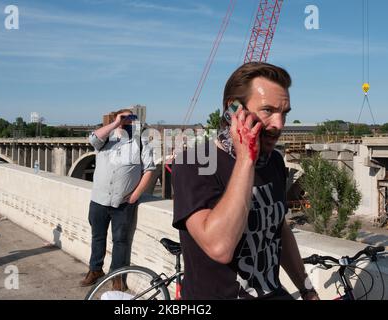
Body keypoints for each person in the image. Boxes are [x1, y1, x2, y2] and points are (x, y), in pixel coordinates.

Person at [172, 62, 319, 300]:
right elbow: (219, 248)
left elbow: (278, 228)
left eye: (284, 113)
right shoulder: (195, 163)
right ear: (234, 109)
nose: (279, 125)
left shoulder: (274, 162)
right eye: (268, 110)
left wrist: (306, 288)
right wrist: (245, 159)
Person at [80, 109, 156, 290]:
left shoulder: (140, 141)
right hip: (99, 199)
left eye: (131, 118)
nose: (127, 121)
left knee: (121, 241)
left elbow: (149, 169)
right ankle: (95, 269)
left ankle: (117, 278)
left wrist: (135, 195)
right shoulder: (106, 138)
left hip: (123, 203)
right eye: (124, 117)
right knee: (97, 236)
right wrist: (116, 123)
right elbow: (92, 139)